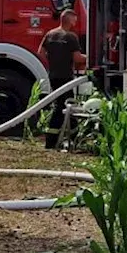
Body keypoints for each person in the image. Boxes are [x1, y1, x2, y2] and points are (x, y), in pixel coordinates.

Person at [39, 8, 86, 149]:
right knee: (64, 107)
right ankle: (53, 141)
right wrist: (90, 58)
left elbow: (40, 52)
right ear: (70, 20)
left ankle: (72, 139)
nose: (76, 21)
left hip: (53, 76)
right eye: (75, 19)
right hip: (66, 77)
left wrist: (53, 63)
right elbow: (77, 58)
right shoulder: (71, 37)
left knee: (65, 106)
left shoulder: (50, 34)